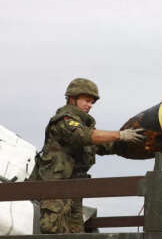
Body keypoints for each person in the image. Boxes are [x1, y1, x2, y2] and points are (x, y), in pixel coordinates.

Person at [30, 78, 145, 234]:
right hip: (55, 191)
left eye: (92, 102)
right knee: (54, 231)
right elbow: (83, 135)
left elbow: (105, 145)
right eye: (86, 100)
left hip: (74, 191)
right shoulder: (63, 121)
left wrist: (140, 142)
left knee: (77, 233)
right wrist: (120, 135)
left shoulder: (86, 126)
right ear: (72, 98)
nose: (89, 105)